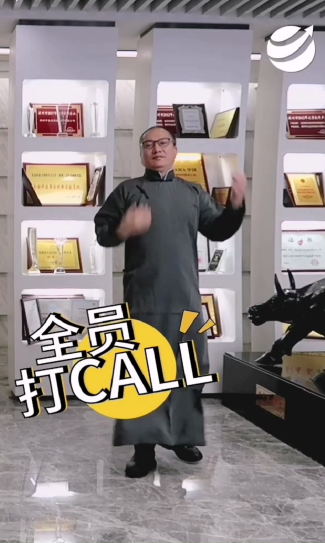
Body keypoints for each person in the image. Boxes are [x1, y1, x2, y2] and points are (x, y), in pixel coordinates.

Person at [93, 126, 246, 478]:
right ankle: (143, 448)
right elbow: (103, 232)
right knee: (143, 370)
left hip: (185, 295)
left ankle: (181, 437)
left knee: (188, 368)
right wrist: (123, 229)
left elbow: (219, 229)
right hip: (143, 296)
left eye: (163, 143)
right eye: (148, 144)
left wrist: (236, 205)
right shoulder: (128, 191)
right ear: (141, 153)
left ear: (175, 150)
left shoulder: (193, 192)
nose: (156, 149)